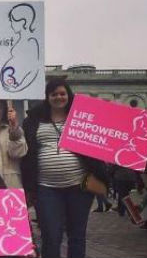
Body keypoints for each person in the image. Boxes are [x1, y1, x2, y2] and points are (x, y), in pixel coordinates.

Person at [20, 78, 108, 258]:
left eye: (62, 93)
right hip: (46, 188)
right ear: (47, 97)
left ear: (69, 95)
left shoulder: (83, 117)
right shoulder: (33, 120)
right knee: (51, 235)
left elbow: (116, 133)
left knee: (77, 235)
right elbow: (25, 152)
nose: (58, 97)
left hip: (79, 187)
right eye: (54, 94)